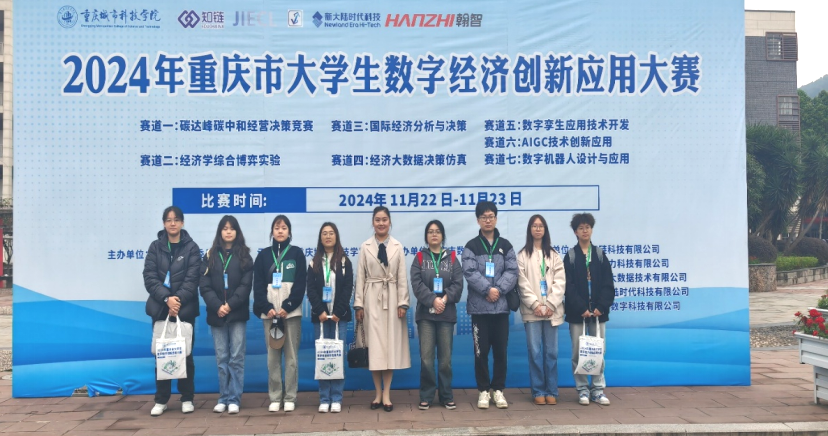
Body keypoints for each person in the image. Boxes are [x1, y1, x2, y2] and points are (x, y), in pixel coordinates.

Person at [143, 206, 202, 417]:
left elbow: (193, 278)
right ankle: (161, 400)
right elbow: (149, 277)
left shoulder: (192, 247)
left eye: (176, 219)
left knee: (185, 354)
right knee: (162, 354)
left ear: (182, 222)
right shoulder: (155, 247)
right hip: (161, 308)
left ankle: (187, 398)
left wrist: (177, 301)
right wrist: (167, 299)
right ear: (164, 223)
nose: (173, 223)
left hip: (184, 309)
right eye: (168, 220)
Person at [462, 201, 518, 410]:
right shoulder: (471, 246)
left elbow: (512, 271)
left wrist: (499, 290)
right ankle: (484, 390)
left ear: (496, 218)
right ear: (478, 220)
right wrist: (488, 289)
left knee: (501, 352)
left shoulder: (506, 245)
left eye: (491, 216)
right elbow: (469, 272)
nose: (488, 220)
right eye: (484, 217)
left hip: (501, 308)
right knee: (481, 352)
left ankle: (498, 390)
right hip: (479, 309)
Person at [354, 206, 411, 412]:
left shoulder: (397, 246)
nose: (381, 223)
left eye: (384, 219)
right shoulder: (365, 247)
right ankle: (377, 393)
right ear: (373, 222)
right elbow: (360, 277)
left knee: (390, 349)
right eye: (377, 220)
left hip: (393, 299)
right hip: (371, 299)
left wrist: (402, 302)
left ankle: (387, 394)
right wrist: (359, 304)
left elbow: (402, 277)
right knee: (375, 348)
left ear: (390, 222)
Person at [199, 215, 253, 415]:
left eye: (232, 228)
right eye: (225, 228)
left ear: (237, 232)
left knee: (236, 357)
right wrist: (217, 306)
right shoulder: (210, 255)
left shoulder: (245, 256)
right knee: (222, 357)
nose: (228, 232)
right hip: (217, 314)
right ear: (220, 232)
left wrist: (229, 305)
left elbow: (246, 286)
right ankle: (223, 397)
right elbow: (204, 285)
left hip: (237, 313)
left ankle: (234, 399)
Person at [253, 215, 306, 412]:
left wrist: (288, 306)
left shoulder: (297, 253)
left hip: (290, 314)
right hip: (270, 314)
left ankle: (290, 396)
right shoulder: (263, 255)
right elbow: (258, 285)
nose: (280, 231)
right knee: (272, 357)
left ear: (289, 231)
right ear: (272, 232)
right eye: (277, 228)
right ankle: (275, 397)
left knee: (291, 357)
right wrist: (266, 307)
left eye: (284, 227)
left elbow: (300, 284)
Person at [411, 220, 464, 411]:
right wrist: (433, 300)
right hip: (426, 315)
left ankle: (446, 396)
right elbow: (416, 284)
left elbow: (458, 283)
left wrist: (444, 299)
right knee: (426, 359)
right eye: (430, 232)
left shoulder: (452, 257)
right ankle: (426, 396)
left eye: (438, 231)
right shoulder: (419, 257)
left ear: (442, 236)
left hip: (446, 314)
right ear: (426, 236)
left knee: (445, 360)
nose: (434, 234)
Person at [563, 213, 615, 406]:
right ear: (575, 232)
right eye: (581, 228)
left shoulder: (600, 255)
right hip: (578, 314)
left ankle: (598, 390)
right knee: (579, 352)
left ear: (591, 229)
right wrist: (581, 308)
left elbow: (608, 284)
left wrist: (601, 306)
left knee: (598, 351)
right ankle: (583, 390)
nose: (585, 231)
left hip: (598, 314)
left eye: (588, 227)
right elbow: (568, 286)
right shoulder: (570, 256)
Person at [517, 214, 565, 405]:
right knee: (535, 352)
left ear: (545, 230)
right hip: (533, 312)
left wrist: (551, 304)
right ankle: (538, 390)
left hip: (552, 311)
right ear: (529, 229)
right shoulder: (522, 255)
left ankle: (552, 390)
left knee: (551, 352)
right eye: (534, 226)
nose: (538, 229)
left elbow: (560, 282)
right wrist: (536, 305)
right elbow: (522, 283)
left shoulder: (554, 255)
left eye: (541, 226)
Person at [306, 222, 353, 414]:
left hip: (339, 318)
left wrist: (338, 312)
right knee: (323, 356)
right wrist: (320, 311)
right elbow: (310, 289)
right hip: (321, 318)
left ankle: (337, 398)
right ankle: (324, 398)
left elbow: (348, 288)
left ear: (336, 236)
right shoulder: (314, 262)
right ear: (320, 238)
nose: (328, 236)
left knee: (338, 356)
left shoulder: (344, 261)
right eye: (324, 233)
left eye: (331, 233)